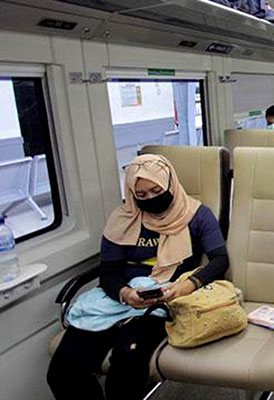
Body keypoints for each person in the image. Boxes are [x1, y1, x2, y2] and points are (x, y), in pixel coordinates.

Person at [48, 154, 229, 400]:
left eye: (156, 191)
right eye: (141, 195)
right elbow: (109, 272)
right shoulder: (122, 219)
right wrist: (126, 293)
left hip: (166, 298)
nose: (150, 198)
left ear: (170, 184)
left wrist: (186, 286)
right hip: (119, 297)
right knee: (63, 371)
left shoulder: (196, 215)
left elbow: (220, 260)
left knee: (129, 357)